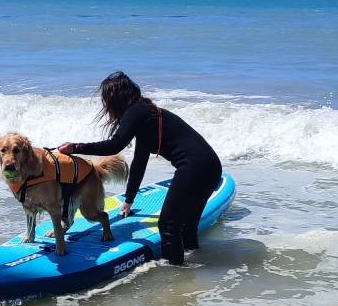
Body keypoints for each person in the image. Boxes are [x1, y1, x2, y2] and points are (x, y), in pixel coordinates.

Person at [59, 71, 222, 266]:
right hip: (210, 166)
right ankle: (191, 276)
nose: (105, 105)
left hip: (195, 167)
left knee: (168, 225)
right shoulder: (145, 114)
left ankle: (175, 281)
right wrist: (129, 199)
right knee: (185, 226)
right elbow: (139, 162)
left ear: (116, 98)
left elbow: (115, 144)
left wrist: (76, 147)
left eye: (106, 100)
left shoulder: (137, 112)